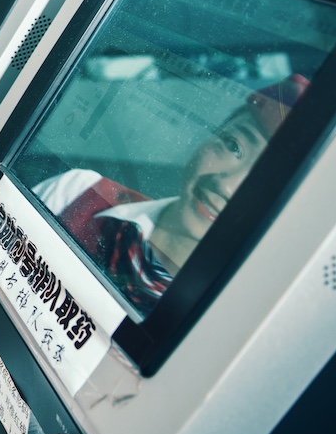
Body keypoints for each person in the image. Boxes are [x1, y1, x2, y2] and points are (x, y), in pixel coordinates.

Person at [33, 75, 308, 311]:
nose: (226, 185)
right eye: (233, 145)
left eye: (268, 181)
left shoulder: (227, 318)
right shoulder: (78, 194)